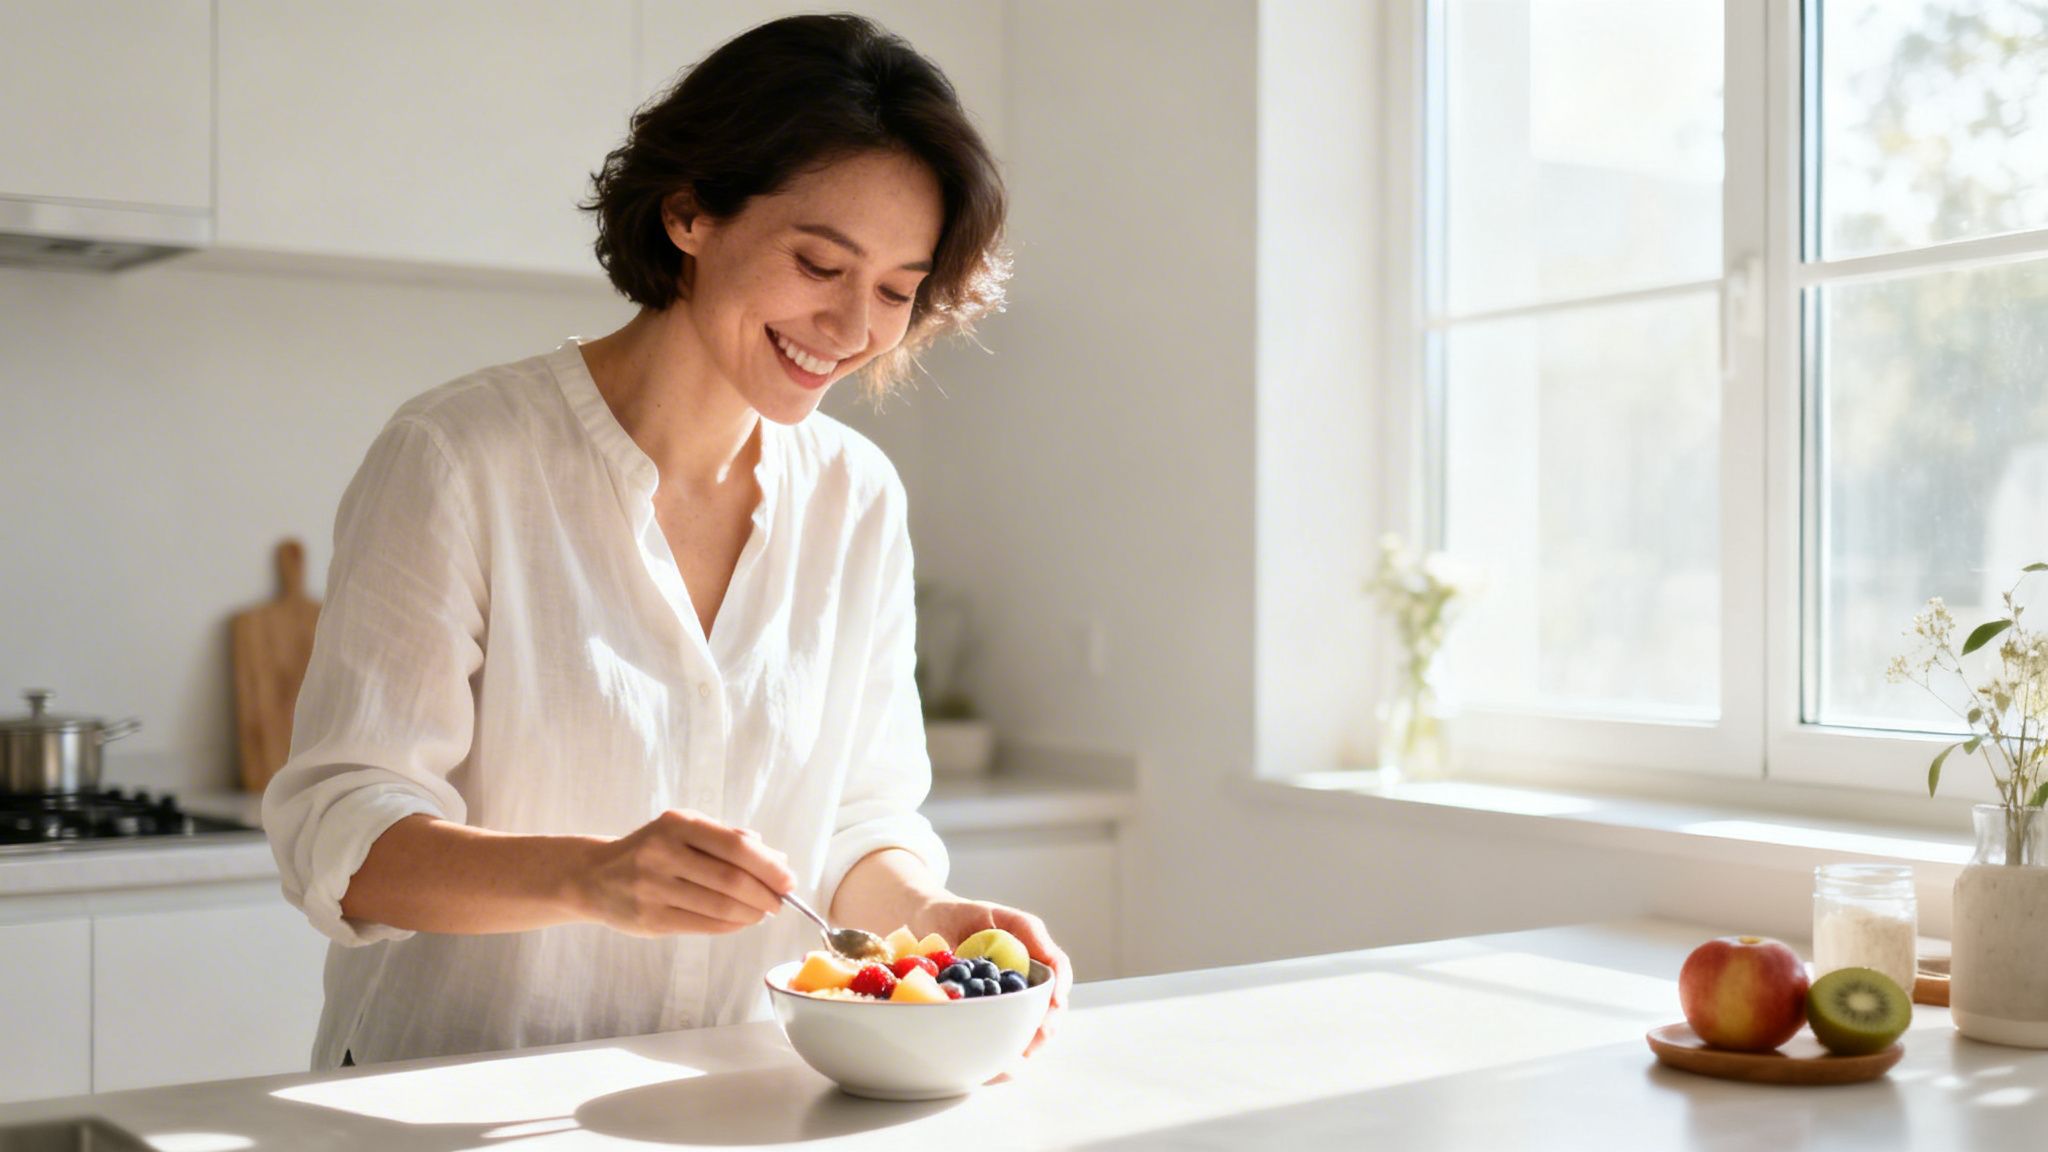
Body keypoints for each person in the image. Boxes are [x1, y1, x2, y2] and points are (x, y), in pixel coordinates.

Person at [262, 12, 1066, 1069]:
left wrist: (931, 912)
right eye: (820, 263)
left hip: (722, 1102)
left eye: (894, 292)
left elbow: (858, 818)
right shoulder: (460, 458)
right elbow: (340, 837)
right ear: (689, 212)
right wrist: (585, 877)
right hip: (448, 1098)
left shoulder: (857, 499)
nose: (852, 329)